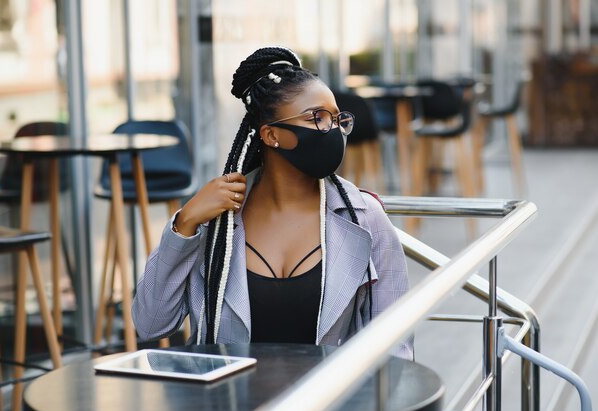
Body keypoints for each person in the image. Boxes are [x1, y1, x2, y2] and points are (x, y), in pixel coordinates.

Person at [132, 46, 413, 359]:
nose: (332, 130)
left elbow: (395, 345)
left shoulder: (364, 217)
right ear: (271, 135)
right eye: (317, 118)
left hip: (329, 405)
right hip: (230, 405)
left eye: (337, 119)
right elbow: (151, 325)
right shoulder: (215, 219)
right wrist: (184, 225)